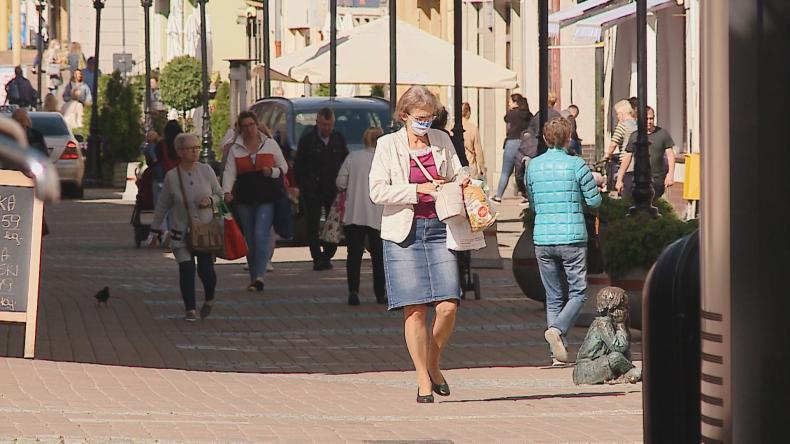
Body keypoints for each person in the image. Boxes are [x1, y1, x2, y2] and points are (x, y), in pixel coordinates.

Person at [369, 85, 464, 403]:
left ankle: (433, 361)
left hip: (440, 228)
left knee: (449, 306)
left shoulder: (442, 140)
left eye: (430, 117)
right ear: (404, 115)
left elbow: (457, 172)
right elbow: (378, 191)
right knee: (415, 309)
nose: (426, 123)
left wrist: (460, 181)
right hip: (403, 233)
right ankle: (423, 377)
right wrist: (417, 190)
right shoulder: (387, 145)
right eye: (421, 118)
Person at [526, 117, 602, 365]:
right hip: (572, 237)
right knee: (579, 292)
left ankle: (556, 353)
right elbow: (594, 202)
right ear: (568, 139)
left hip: (543, 238)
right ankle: (558, 330)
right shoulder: (576, 165)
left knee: (553, 295)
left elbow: (534, 204)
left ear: (546, 139)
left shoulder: (533, 167)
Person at [149, 133, 222, 322]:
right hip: (180, 231)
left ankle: (210, 297)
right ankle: (190, 309)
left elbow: (220, 195)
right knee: (186, 269)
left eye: (197, 147)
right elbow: (163, 204)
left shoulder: (206, 170)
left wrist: (210, 200)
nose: (195, 151)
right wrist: (155, 229)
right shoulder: (172, 176)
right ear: (180, 152)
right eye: (191, 148)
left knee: (206, 271)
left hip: (204, 231)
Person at [222, 111, 288, 292]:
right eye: (245, 126)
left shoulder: (270, 144)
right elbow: (229, 172)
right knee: (249, 238)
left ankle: (260, 276)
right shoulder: (236, 148)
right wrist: (226, 191)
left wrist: (272, 171)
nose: (249, 129)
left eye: (252, 125)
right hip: (244, 196)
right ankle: (254, 276)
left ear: (257, 124)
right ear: (240, 128)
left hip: (266, 195)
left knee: (260, 234)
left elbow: (284, 167)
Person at [336, 126, 386, 306]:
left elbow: (340, 182)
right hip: (377, 215)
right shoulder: (384, 160)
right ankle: (380, 293)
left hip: (354, 213)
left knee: (354, 255)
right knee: (379, 257)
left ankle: (353, 290)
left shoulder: (353, 157)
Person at [294, 107, 348, 271]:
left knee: (333, 224)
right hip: (312, 189)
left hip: (332, 188)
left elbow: (346, 162)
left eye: (329, 125)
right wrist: (302, 185)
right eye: (323, 125)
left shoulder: (338, 139)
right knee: (313, 223)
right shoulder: (308, 140)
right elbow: (299, 166)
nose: (326, 128)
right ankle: (317, 258)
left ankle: (328, 254)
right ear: (317, 123)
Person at [615, 106, 676, 200]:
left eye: (651, 118)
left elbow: (670, 155)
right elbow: (627, 158)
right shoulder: (635, 136)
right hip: (639, 178)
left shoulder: (662, 134)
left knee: (650, 201)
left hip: (657, 178)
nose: (649, 121)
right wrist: (619, 179)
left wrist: (670, 175)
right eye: (646, 119)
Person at [492, 93, 532, 203]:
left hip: (511, 143)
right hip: (524, 144)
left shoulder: (512, 114)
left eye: (510, 101)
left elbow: (506, 118)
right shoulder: (528, 114)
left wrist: (511, 109)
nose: (509, 103)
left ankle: (498, 196)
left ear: (515, 103)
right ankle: (526, 195)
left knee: (505, 172)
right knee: (523, 171)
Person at [604, 100, 637, 192]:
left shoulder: (622, 125)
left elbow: (613, 144)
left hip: (626, 164)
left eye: (618, 114)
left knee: (626, 191)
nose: (617, 117)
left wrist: (608, 155)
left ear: (622, 114)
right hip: (639, 163)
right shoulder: (637, 124)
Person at [460, 102, 485, 179]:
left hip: (457, 165)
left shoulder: (451, 127)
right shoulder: (473, 128)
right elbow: (478, 150)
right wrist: (482, 167)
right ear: (468, 113)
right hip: (470, 164)